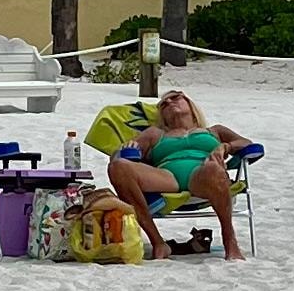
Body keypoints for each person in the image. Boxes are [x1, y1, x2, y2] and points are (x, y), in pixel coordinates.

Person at [105, 89, 250, 261]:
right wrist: (127, 147)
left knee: (213, 169)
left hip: (202, 175)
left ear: (190, 104)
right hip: (167, 176)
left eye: (176, 98)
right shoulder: (155, 133)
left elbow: (247, 143)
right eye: (164, 104)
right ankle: (158, 242)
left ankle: (230, 240)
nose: (170, 103)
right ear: (162, 115)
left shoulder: (214, 131)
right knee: (118, 167)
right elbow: (116, 156)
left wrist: (226, 147)